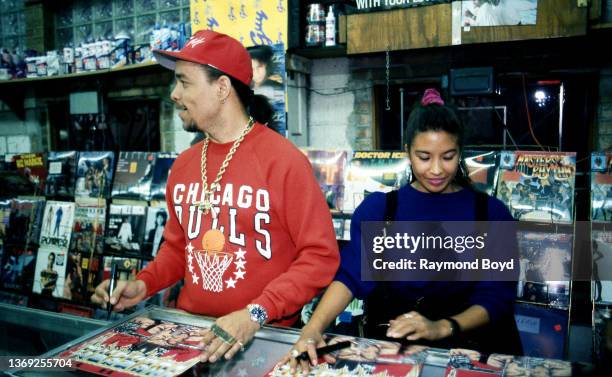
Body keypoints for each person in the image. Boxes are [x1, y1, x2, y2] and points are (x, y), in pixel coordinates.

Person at [91, 30, 339, 363]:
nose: (174, 94)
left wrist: (255, 313)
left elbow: (319, 256)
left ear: (222, 88)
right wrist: (143, 284)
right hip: (191, 335)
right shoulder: (184, 164)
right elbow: (179, 249)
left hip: (264, 338)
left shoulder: (284, 161)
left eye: (184, 82)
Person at [286, 88, 521, 373]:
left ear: (460, 153)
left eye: (448, 157)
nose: (436, 169)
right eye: (424, 157)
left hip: (468, 354)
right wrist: (313, 327)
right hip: (397, 358)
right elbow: (350, 277)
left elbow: (497, 297)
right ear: (408, 151)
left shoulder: (490, 215)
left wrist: (441, 328)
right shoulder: (381, 212)